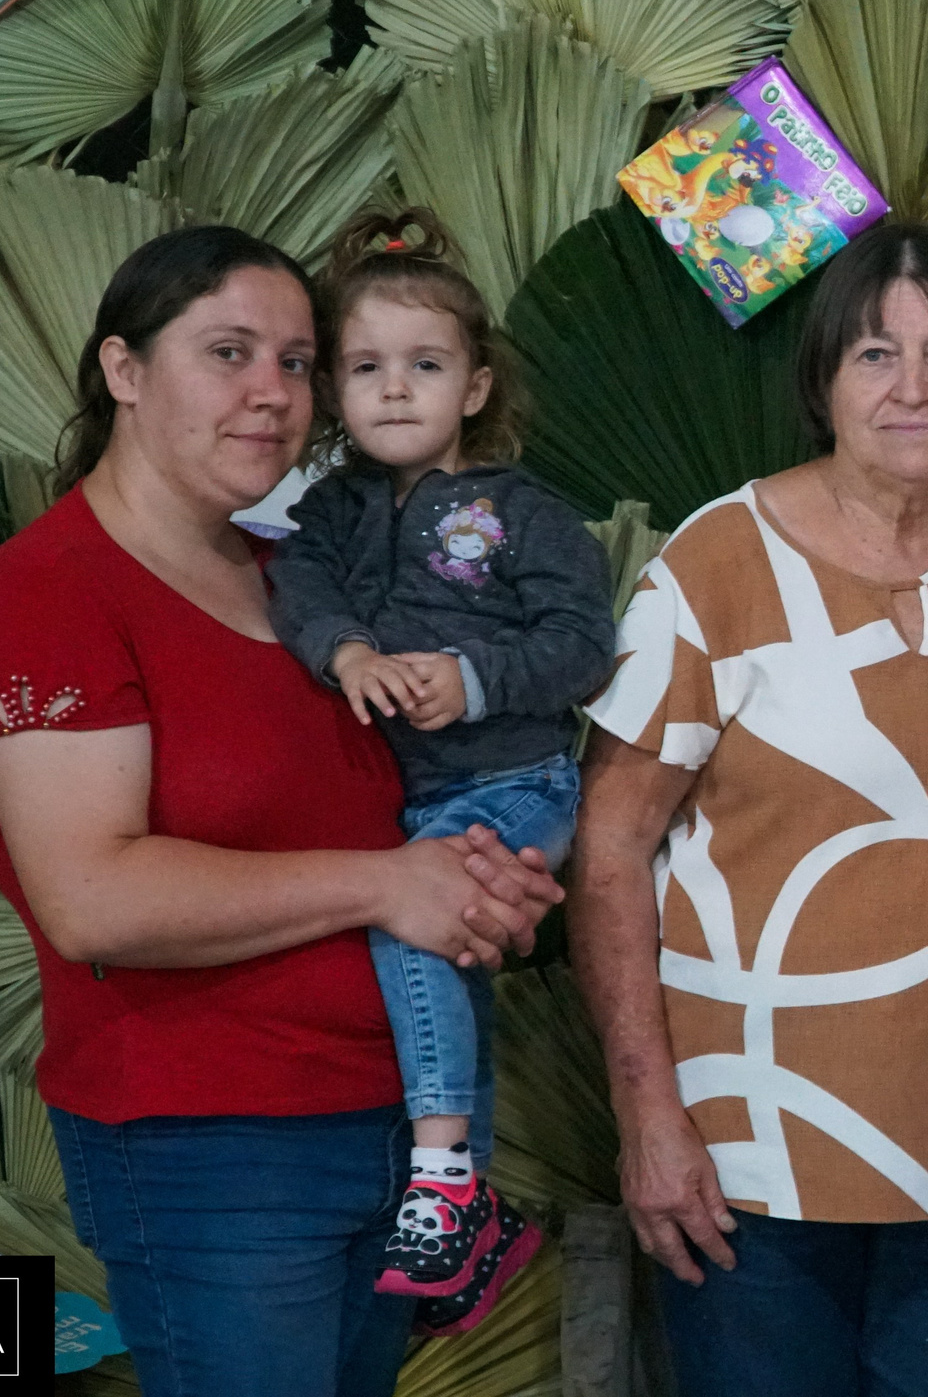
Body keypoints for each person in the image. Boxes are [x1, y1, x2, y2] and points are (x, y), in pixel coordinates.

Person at [0, 225, 563, 1397]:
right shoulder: (47, 594)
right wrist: (390, 885)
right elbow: (92, 897)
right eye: (227, 352)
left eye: (294, 361)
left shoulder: (306, 572)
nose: (271, 394)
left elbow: (414, 806)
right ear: (124, 371)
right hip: (212, 1143)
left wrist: (489, 879)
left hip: (396, 1120)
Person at [572, 222, 928, 1396]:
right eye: (873, 355)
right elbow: (609, 848)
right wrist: (646, 1110)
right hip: (744, 1151)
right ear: (820, 382)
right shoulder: (715, 563)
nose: (913, 388)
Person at [268, 208, 617, 1331]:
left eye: (425, 365)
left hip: (516, 782)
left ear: (472, 386)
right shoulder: (324, 512)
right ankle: (469, 1212)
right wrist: (351, 651)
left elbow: (579, 646)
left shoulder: (525, 511)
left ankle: (444, 1179)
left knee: (411, 927)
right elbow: (301, 597)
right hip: (401, 801)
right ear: (333, 389)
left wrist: (471, 678)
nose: (395, 389)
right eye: (365, 368)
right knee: (437, 967)